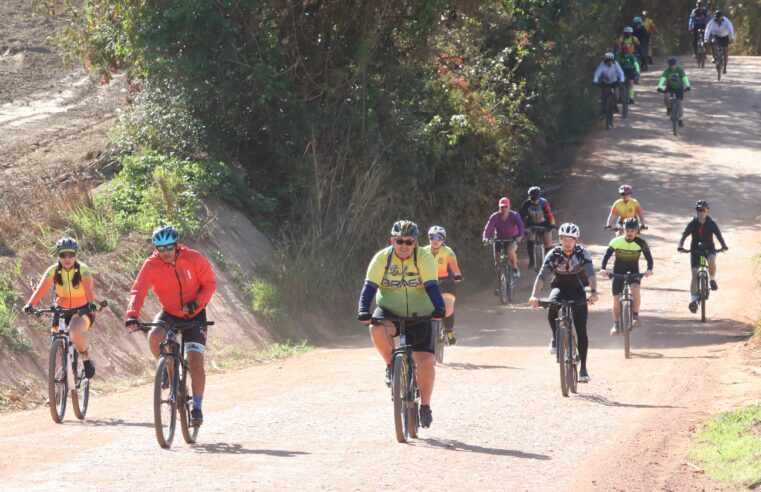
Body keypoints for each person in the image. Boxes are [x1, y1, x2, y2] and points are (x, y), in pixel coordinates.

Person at [125, 225, 217, 426]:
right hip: (170, 313)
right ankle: (168, 368)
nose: (165, 252)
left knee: (195, 361)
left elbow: (209, 284)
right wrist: (132, 314)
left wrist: (196, 303)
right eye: (160, 248)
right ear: (155, 248)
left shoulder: (194, 258)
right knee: (154, 335)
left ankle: (197, 408)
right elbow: (138, 291)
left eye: (169, 247)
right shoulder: (151, 265)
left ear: (176, 245)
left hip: (195, 314)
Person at [357, 220, 445, 428]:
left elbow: (432, 287)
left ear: (415, 243)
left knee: (426, 361)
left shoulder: (424, 258)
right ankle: (391, 366)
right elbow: (369, 287)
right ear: (392, 240)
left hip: (420, 313)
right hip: (390, 311)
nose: (404, 246)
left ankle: (425, 406)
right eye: (400, 241)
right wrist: (362, 309)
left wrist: (439, 308)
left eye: (409, 241)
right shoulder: (382, 259)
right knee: (376, 327)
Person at [529, 223, 598, 383]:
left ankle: (583, 370)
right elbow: (542, 275)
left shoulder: (582, 253)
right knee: (552, 305)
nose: (567, 243)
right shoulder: (553, 253)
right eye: (564, 239)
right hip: (559, 287)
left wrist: (593, 293)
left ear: (576, 240)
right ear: (559, 240)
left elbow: (591, 274)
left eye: (570, 239)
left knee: (581, 329)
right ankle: (555, 337)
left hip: (578, 289)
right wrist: (534, 295)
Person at [23, 237, 98, 379]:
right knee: (55, 340)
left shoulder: (84, 270)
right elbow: (41, 289)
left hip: (81, 311)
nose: (67, 258)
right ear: (58, 255)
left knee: (74, 332)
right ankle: (54, 385)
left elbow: (88, 290)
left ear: (76, 254)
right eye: (63, 255)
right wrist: (30, 304)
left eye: (70, 254)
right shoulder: (53, 271)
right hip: (61, 310)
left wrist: (92, 303)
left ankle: (86, 360)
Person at [600, 218, 654, 334]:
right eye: (627, 230)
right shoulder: (616, 241)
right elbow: (606, 256)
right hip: (618, 272)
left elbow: (649, 258)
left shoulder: (641, 243)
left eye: (632, 231)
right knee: (615, 301)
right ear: (623, 230)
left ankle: (635, 316)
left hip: (634, 271)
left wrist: (649, 269)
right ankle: (616, 324)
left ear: (636, 231)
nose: (629, 233)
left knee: (635, 289)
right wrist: (602, 268)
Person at [677, 201, 728, 313]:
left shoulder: (711, 223)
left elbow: (718, 235)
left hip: (709, 249)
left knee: (711, 260)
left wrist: (723, 245)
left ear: (707, 211)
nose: (701, 213)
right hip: (695, 250)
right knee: (695, 273)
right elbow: (684, 234)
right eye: (699, 210)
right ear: (697, 211)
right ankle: (694, 301)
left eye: (704, 210)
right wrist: (680, 245)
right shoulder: (693, 223)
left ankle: (713, 280)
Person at [422, 226, 463, 345]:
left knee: (448, 308)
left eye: (439, 238)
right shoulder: (423, 251)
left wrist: (457, 275)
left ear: (443, 239)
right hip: (426, 281)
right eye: (432, 237)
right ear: (429, 238)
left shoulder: (448, 251)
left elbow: (455, 267)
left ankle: (449, 332)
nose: (435, 240)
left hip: (445, 282)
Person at [482, 197, 525, 284]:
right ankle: (501, 284)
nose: (503, 209)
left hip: (512, 239)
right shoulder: (495, 217)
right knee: (497, 264)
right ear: (499, 207)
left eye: (505, 206)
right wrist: (485, 237)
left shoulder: (514, 215)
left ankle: (515, 268)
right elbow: (488, 228)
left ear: (508, 207)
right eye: (501, 207)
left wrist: (520, 236)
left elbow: (521, 226)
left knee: (510, 251)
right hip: (498, 239)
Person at [519, 186, 556, 269]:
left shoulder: (544, 203)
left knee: (548, 241)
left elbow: (549, 215)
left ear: (540, 197)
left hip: (544, 223)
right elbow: (521, 218)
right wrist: (522, 228)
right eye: (532, 199)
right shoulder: (526, 204)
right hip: (531, 223)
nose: (535, 201)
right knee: (530, 238)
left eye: (536, 199)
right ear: (529, 198)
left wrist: (553, 225)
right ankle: (532, 260)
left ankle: (549, 261)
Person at [657, 57, 691, 128]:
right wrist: (659, 87)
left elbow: (685, 78)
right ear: (669, 66)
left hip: (679, 88)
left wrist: (688, 86)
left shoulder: (680, 70)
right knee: (666, 98)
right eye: (671, 65)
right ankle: (669, 108)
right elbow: (662, 79)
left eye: (674, 65)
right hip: (670, 87)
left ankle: (680, 119)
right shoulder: (667, 71)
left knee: (679, 103)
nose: (673, 67)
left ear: (676, 64)